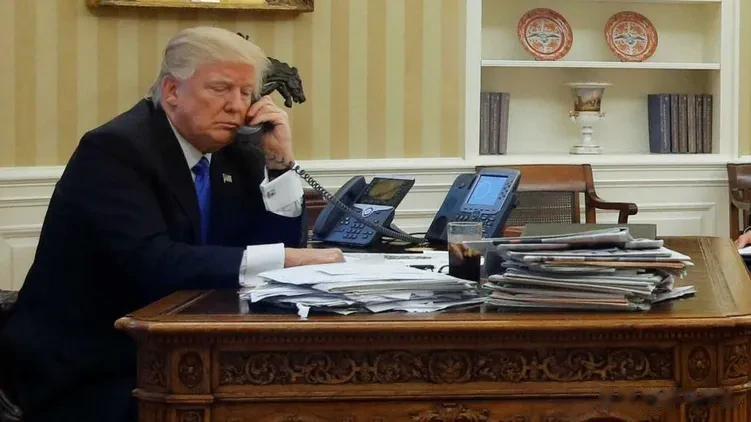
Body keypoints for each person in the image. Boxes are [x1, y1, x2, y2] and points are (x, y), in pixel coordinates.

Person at [0, 26, 343, 422]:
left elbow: (270, 251)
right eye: (221, 89)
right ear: (172, 91)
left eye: (246, 93)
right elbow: (153, 261)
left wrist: (280, 165)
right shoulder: (115, 150)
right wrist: (284, 259)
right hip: (91, 366)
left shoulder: (238, 153)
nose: (237, 106)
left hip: (185, 353)